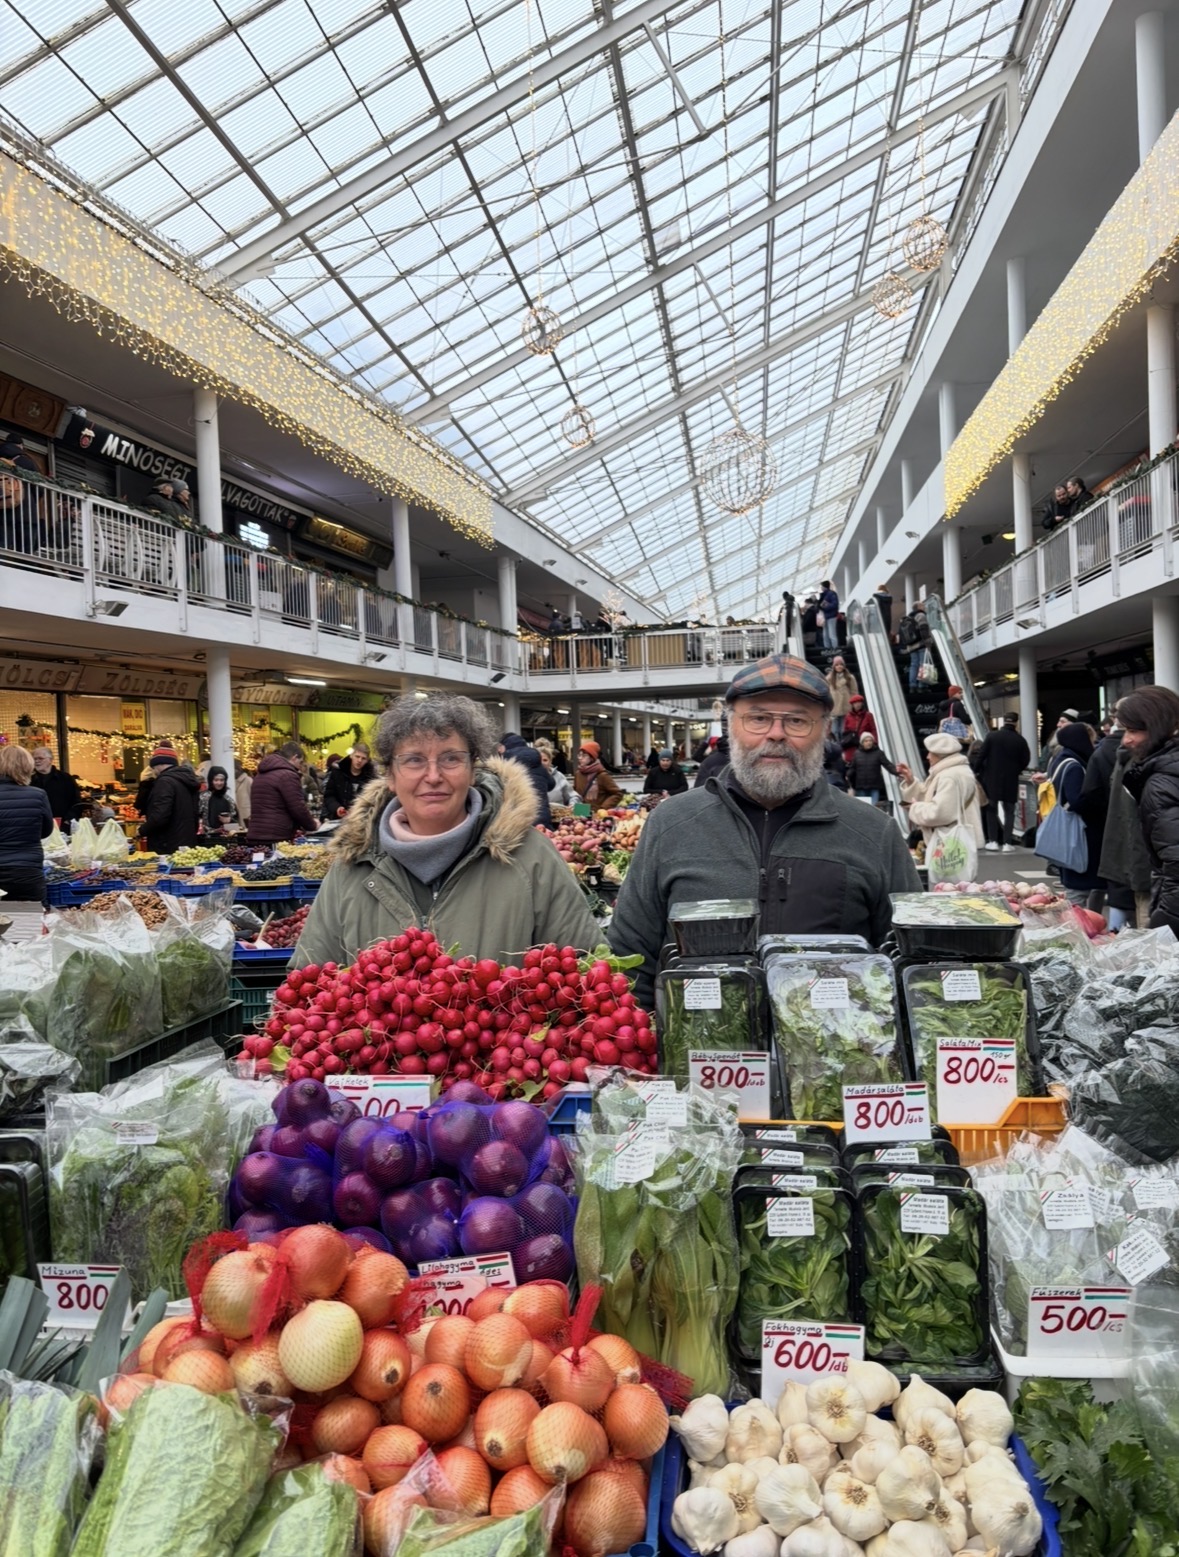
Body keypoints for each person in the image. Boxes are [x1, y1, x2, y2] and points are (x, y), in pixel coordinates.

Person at [607, 652, 921, 1005]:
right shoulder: (671, 824)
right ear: (731, 726)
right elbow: (629, 957)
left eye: (797, 721)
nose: (776, 734)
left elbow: (909, 963)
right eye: (757, 718)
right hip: (698, 1053)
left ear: (824, 731)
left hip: (834, 1053)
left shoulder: (873, 833)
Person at [291, 694, 598, 968]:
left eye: (451, 758)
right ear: (390, 777)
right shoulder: (351, 865)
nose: (434, 776)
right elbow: (307, 988)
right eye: (414, 760)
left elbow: (588, 969)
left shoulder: (531, 858)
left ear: (473, 769)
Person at [1117, 686, 1179, 934]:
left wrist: (1161, 931)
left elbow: (1176, 865)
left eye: (1133, 731)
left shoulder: (1161, 783)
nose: (1126, 740)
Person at [897, 733, 984, 874]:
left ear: (940, 755)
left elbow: (940, 813)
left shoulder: (950, 776)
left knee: (949, 888)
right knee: (955, 886)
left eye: (930, 753)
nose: (927, 757)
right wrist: (911, 781)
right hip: (953, 841)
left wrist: (915, 808)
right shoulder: (953, 772)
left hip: (949, 843)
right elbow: (932, 797)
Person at [1043, 723, 1104, 905]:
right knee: (1078, 891)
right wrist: (1098, 800)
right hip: (1081, 833)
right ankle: (1075, 927)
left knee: (1076, 889)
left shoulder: (1060, 760)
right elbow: (1076, 800)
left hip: (1068, 830)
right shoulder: (1075, 766)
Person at [1099, 735, 1155, 929]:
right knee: (1149, 926)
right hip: (1150, 863)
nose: (1126, 738)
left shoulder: (1127, 760)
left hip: (1136, 859)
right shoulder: (1138, 763)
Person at [0, 745, 53, 903]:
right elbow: (45, 831)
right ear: (27, 766)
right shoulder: (38, 795)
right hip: (27, 872)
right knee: (28, 923)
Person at [975, 713, 1030, 851]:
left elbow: (981, 754)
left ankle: (993, 841)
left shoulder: (992, 736)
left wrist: (976, 771)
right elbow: (1025, 760)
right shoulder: (1020, 740)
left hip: (991, 779)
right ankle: (1007, 843)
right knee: (1009, 811)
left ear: (1003, 721)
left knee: (991, 810)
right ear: (1016, 723)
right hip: (1010, 780)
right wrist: (1016, 770)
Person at [248, 742, 318, 846]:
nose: (300, 767)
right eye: (300, 762)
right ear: (294, 758)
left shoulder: (260, 774)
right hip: (276, 835)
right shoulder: (287, 775)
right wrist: (313, 825)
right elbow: (297, 807)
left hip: (255, 833)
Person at [141, 748, 200, 854]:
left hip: (167, 843)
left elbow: (160, 815)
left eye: (153, 767)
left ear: (160, 765)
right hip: (186, 839)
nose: (153, 771)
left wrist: (142, 830)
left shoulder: (165, 782)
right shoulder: (186, 780)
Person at [498, 732, 552, 828]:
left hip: (518, 820)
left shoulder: (505, 765)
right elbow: (552, 784)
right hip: (542, 817)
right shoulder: (538, 763)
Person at [321, 743, 377, 820]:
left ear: (367, 760)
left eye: (363, 758)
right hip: (338, 819)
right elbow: (329, 795)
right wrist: (337, 808)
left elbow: (373, 801)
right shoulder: (337, 772)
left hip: (361, 819)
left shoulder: (371, 777)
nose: (359, 760)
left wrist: (359, 810)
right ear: (351, 756)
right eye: (357, 756)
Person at [30, 747, 81, 823]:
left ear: (50, 760)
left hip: (63, 824)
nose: (37, 761)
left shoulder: (66, 778)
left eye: (40, 758)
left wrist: (69, 818)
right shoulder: (28, 780)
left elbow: (76, 801)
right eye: (34, 759)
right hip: (37, 824)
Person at [845, 732, 897, 804]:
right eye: (866, 741)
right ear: (862, 743)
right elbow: (853, 767)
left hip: (874, 786)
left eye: (870, 741)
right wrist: (847, 775)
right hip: (861, 787)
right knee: (863, 809)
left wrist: (897, 772)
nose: (869, 743)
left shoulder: (879, 753)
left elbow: (888, 765)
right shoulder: (857, 754)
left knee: (873, 808)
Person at [574, 741, 623, 810]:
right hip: (580, 811)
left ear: (592, 758)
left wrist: (603, 808)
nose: (580, 758)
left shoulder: (602, 775)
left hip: (596, 815)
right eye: (579, 755)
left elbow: (618, 794)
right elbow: (574, 793)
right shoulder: (578, 774)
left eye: (584, 755)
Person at [898, 601, 933, 689]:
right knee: (922, 664)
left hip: (911, 646)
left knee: (914, 665)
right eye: (922, 605)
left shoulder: (908, 618)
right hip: (921, 644)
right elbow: (924, 629)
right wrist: (927, 642)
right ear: (919, 607)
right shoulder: (921, 615)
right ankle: (922, 685)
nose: (924, 607)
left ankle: (912, 685)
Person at [825, 655, 858, 739]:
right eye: (837, 665)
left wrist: (853, 704)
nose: (839, 666)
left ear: (844, 665)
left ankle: (844, 744)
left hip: (846, 706)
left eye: (841, 664)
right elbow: (826, 692)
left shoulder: (849, 677)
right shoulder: (829, 678)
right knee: (834, 730)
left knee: (844, 729)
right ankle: (837, 745)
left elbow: (854, 691)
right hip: (834, 707)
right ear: (834, 666)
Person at [201, 765, 239, 836]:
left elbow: (236, 821)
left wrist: (230, 820)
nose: (219, 783)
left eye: (222, 780)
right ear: (211, 780)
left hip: (226, 837)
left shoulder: (229, 800)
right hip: (206, 838)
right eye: (216, 780)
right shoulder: (203, 798)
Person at [818, 580, 840, 650]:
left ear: (824, 587)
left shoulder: (831, 594)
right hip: (826, 617)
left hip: (831, 616)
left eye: (822, 586)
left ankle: (835, 649)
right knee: (826, 635)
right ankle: (828, 649)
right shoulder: (824, 595)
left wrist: (825, 606)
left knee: (831, 634)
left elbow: (835, 604)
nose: (821, 588)